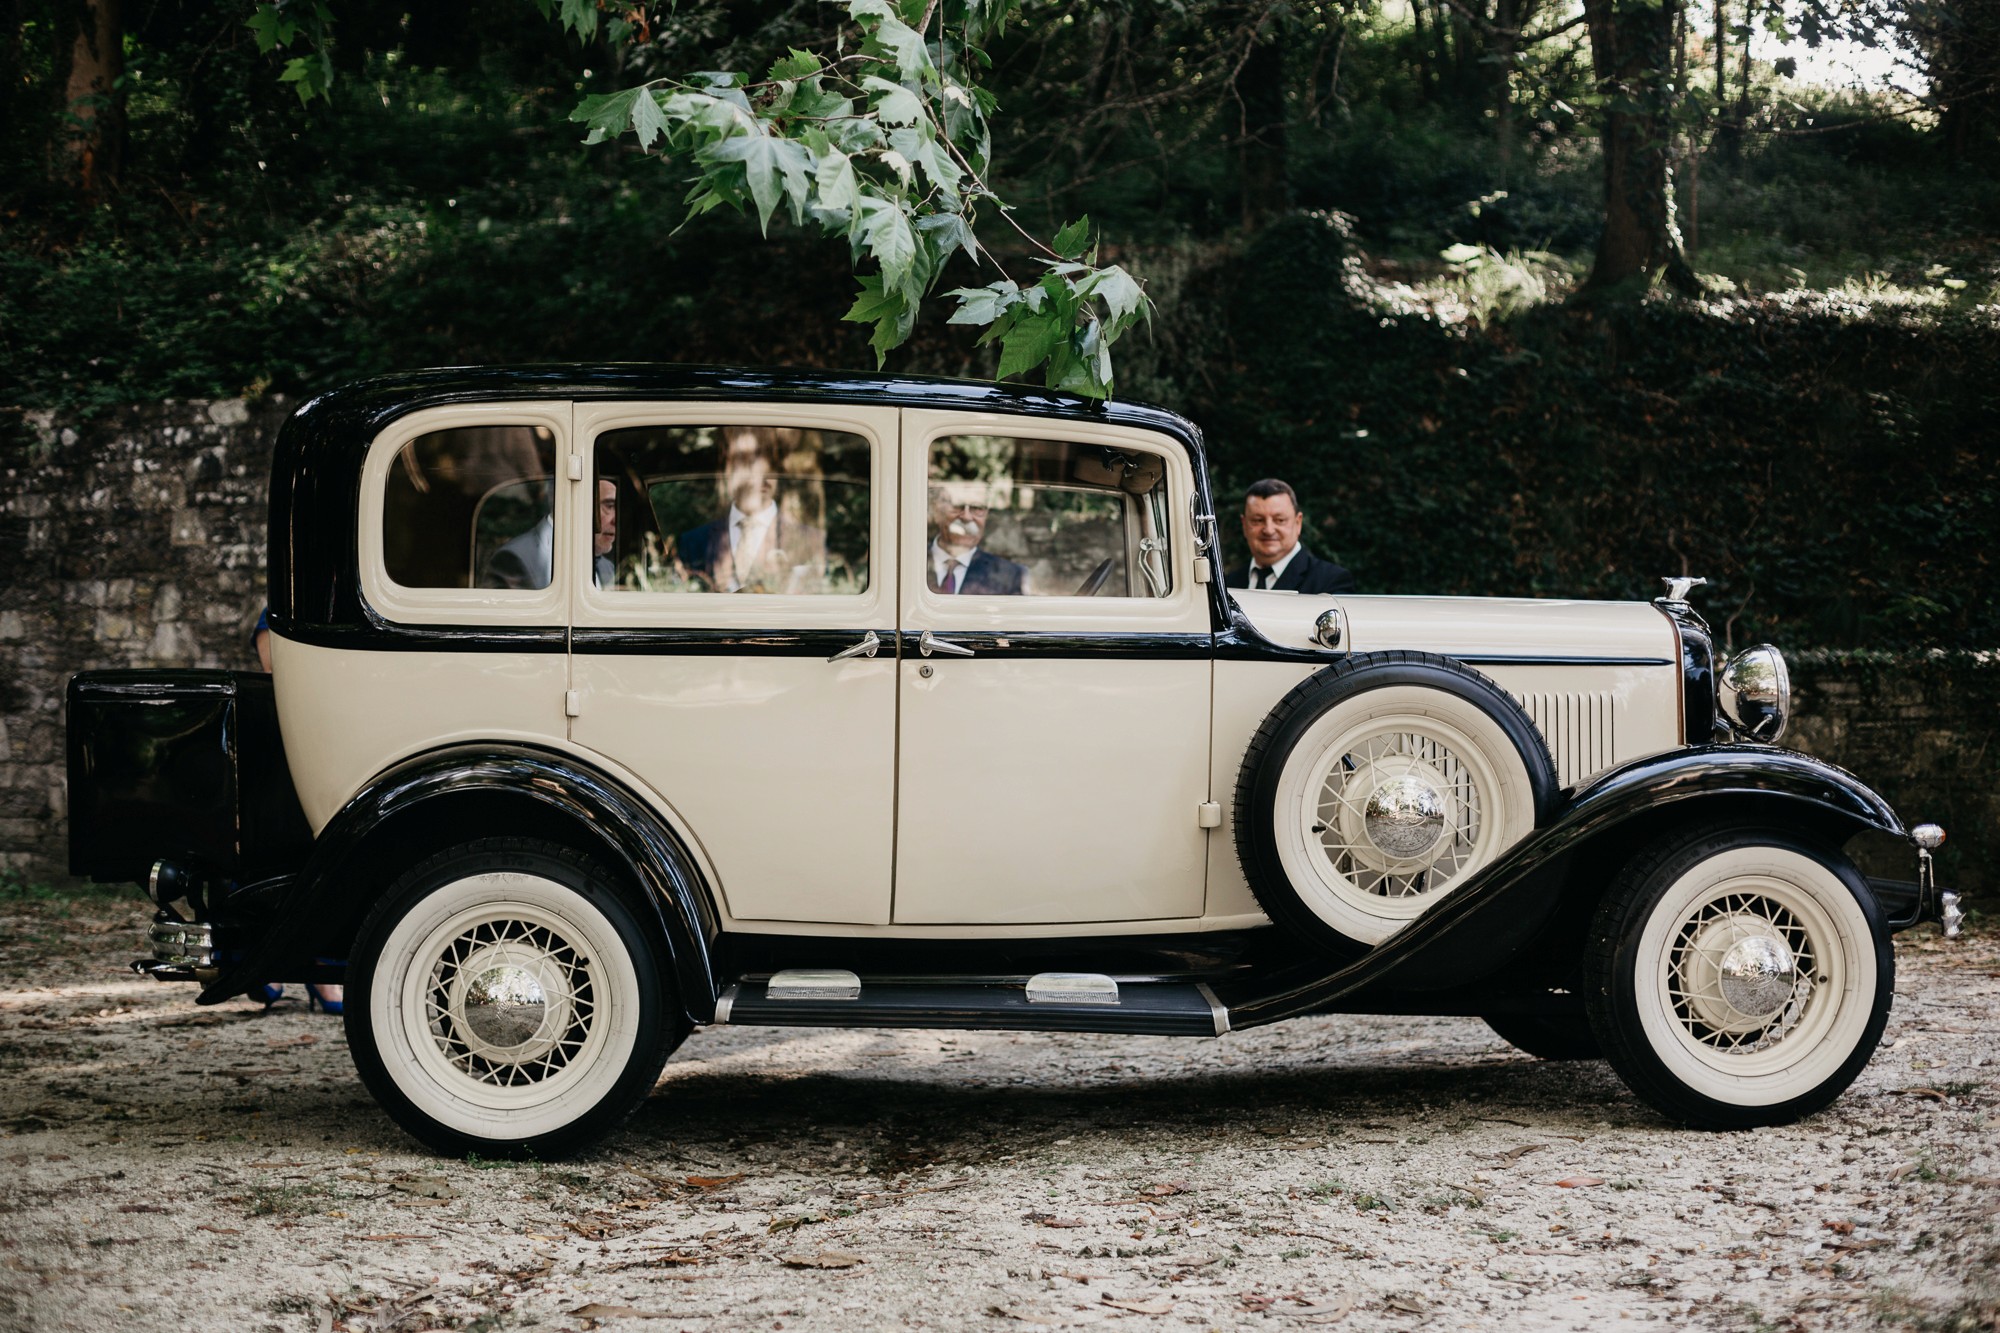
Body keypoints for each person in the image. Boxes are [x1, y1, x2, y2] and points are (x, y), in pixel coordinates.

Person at [676, 426, 826, 592]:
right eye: (746, 462)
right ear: (728, 467)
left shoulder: (811, 541)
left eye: (770, 464)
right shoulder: (692, 543)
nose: (760, 475)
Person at [1225, 478, 1355, 594]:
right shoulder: (1227, 585)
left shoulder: (1330, 582)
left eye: (1279, 520)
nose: (1269, 530)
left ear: (1298, 523)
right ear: (1244, 524)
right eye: (1258, 520)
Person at [484, 480, 617, 590]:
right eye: (609, 506)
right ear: (576, 502)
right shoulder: (515, 558)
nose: (616, 519)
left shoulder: (607, 567)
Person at [927, 480, 1027, 595]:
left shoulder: (1008, 575)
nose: (967, 517)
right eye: (957, 506)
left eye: (977, 508)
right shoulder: (912, 561)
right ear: (936, 513)